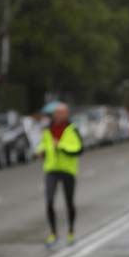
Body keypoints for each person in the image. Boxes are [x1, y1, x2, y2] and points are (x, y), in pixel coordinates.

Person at [35, 102, 82, 248]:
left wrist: (60, 146)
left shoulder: (72, 129)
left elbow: (78, 149)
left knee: (69, 202)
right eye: (58, 113)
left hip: (68, 170)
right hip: (51, 169)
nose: (60, 115)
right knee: (49, 201)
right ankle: (53, 233)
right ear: (54, 115)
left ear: (67, 114)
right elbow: (43, 144)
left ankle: (71, 231)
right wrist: (40, 150)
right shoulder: (47, 129)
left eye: (63, 113)